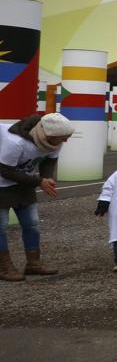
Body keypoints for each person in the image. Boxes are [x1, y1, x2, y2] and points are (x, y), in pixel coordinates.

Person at [0, 113, 73, 281]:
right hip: (1, 186)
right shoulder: (15, 142)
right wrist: (39, 181)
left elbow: (48, 161)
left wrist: (47, 177)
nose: (66, 141)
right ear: (47, 135)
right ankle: (4, 267)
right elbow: (5, 170)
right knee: (1, 227)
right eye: (63, 138)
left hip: (24, 185)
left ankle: (33, 264)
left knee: (31, 224)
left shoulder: (55, 142)